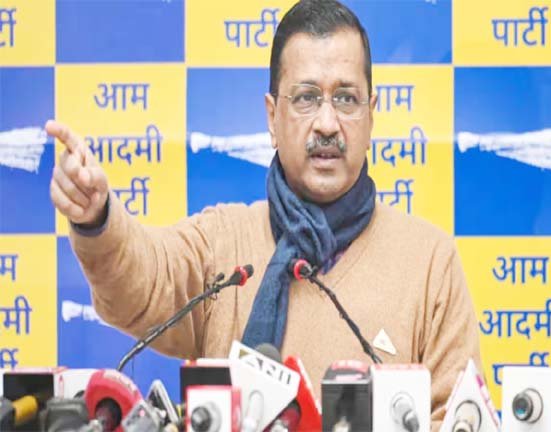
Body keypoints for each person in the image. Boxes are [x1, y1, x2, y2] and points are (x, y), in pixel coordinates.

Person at [47, 0, 481, 428]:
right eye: (307, 98)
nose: (327, 123)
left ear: (371, 116)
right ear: (273, 118)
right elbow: (142, 284)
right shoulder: (223, 243)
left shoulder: (429, 262)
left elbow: (460, 418)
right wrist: (97, 218)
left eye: (346, 99)